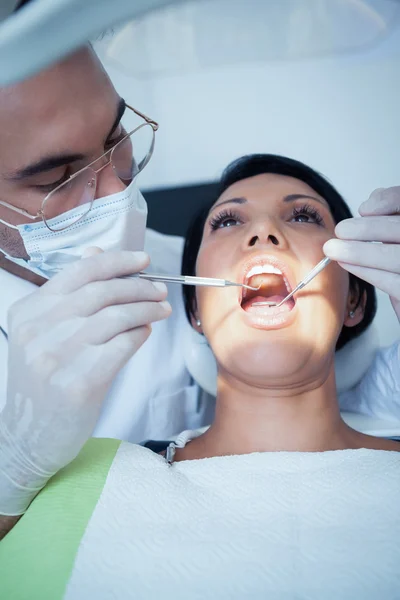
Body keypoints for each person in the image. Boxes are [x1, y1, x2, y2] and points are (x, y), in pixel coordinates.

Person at [0, 155, 399, 600]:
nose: (263, 233)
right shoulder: (82, 477)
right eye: (228, 221)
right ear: (195, 311)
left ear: (355, 303)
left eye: (303, 215)